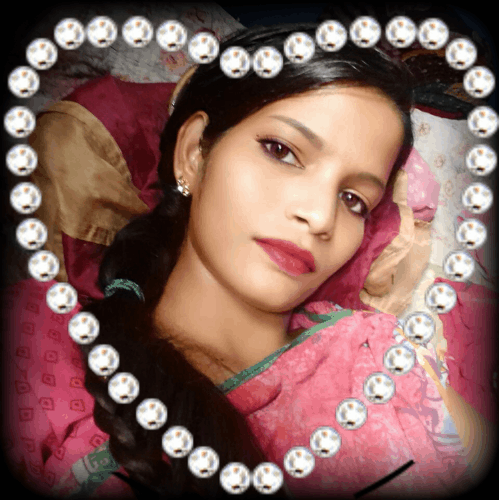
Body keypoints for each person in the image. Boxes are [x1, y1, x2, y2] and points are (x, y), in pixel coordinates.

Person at [2, 22, 489, 499]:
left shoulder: (381, 357)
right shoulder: (45, 344)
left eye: (353, 200)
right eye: (282, 151)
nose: (320, 217)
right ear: (193, 154)